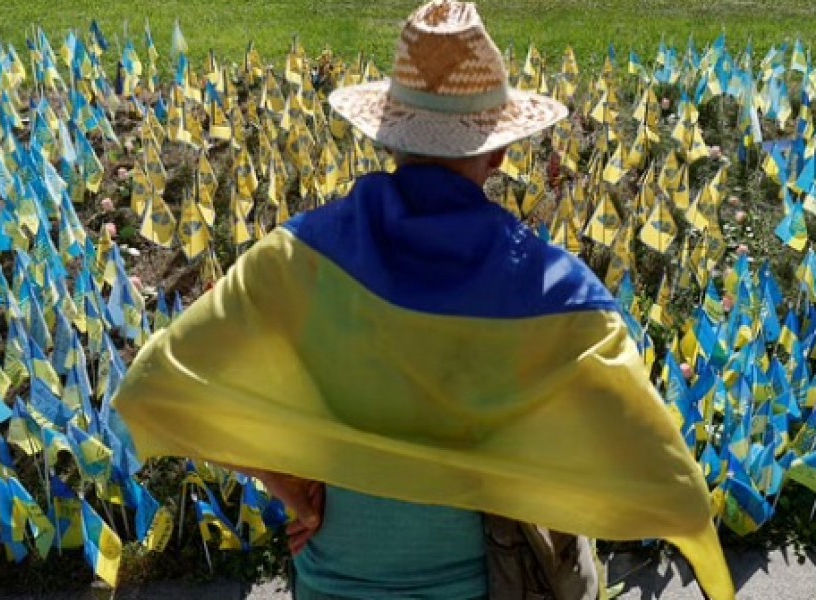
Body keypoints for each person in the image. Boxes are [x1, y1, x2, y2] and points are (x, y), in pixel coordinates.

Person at [112, 2, 734, 599]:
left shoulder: (299, 258)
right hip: (481, 580)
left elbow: (156, 386)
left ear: (388, 138)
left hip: (337, 574)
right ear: (499, 153)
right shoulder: (553, 290)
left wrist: (289, 488)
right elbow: (663, 476)